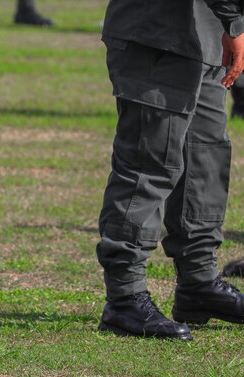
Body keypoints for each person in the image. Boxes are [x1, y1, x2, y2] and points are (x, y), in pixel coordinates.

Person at [96, 0, 244, 339]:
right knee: (148, 162)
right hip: (159, 32)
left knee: (204, 157)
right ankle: (124, 298)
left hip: (205, 31)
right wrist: (235, 21)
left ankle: (199, 284)